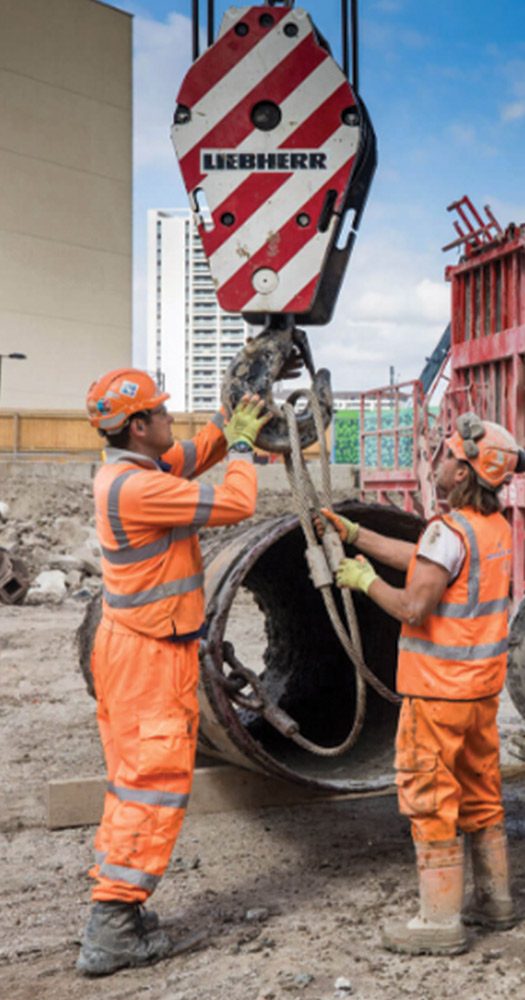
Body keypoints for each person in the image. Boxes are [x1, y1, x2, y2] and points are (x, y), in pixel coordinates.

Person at [78, 371, 269, 976]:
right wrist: (243, 448)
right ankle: (112, 927)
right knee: (153, 783)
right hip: (148, 656)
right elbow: (239, 503)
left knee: (134, 780)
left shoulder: (132, 472)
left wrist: (227, 420)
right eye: (161, 412)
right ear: (138, 427)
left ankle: (122, 914)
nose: (169, 420)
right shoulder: (140, 490)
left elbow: (189, 454)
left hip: (132, 647)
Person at [325, 413, 525, 956]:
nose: (439, 462)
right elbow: (425, 560)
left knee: (430, 798)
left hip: (437, 694)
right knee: (481, 794)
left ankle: (439, 922)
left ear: (464, 474)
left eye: (448, 455)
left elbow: (415, 602)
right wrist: (355, 536)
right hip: (480, 693)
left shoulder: (448, 531)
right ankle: (496, 902)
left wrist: (365, 582)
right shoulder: (491, 529)